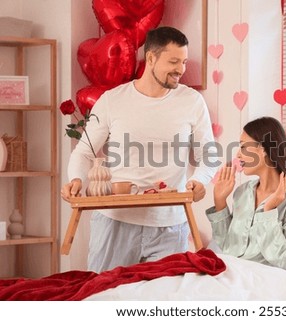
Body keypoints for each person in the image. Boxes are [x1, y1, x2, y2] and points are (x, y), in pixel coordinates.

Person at [61, 26, 218, 272]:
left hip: (170, 227)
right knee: (104, 297)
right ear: (151, 58)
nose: (181, 69)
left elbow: (208, 156)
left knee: (163, 303)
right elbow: (84, 152)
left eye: (184, 61)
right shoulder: (113, 100)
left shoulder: (192, 102)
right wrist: (76, 180)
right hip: (115, 222)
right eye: (174, 61)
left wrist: (200, 180)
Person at [206, 117, 286, 271]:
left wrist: (269, 211)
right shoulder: (242, 193)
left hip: (263, 281)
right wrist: (220, 201)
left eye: (243, 147)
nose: (238, 155)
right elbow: (228, 247)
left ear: (263, 150)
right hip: (229, 273)